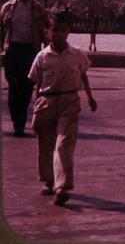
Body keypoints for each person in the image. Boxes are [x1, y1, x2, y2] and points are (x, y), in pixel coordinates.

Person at [28, 14, 97, 206]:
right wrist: (36, 106)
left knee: (63, 144)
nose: (59, 34)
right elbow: (37, 83)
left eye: (63, 30)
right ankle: (49, 180)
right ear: (47, 32)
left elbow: (83, 76)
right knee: (46, 144)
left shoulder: (76, 55)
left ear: (68, 32)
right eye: (55, 30)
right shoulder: (42, 57)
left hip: (69, 101)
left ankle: (62, 186)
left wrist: (90, 97)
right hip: (46, 102)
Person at [0, 0, 47, 137]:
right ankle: (16, 120)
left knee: (27, 87)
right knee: (13, 86)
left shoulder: (39, 9)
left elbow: (44, 33)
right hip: (12, 49)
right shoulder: (7, 8)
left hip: (30, 50)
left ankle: (20, 121)